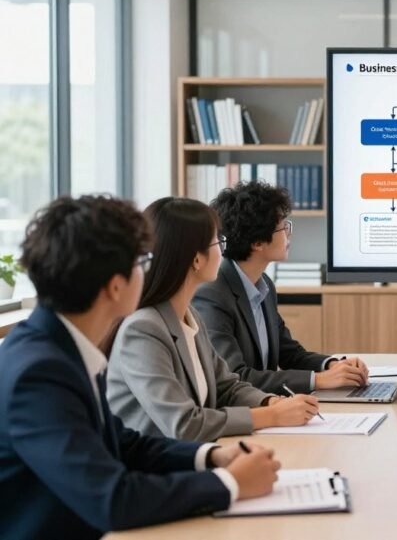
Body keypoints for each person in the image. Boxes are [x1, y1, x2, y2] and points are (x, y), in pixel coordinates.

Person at [0, 195, 280, 540]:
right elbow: (113, 499)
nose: (148, 271)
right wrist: (229, 483)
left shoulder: (61, 347)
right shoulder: (39, 373)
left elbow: (123, 443)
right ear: (115, 286)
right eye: (141, 262)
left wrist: (212, 456)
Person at [106, 197, 320, 442]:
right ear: (196, 259)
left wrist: (271, 401)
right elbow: (185, 424)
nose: (224, 249)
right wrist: (272, 415)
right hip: (157, 470)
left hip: (196, 455)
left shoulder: (188, 316)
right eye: (218, 241)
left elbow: (226, 386)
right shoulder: (143, 329)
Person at [193, 181, 367, 395]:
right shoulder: (212, 295)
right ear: (257, 241)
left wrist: (332, 365)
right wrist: (319, 380)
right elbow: (237, 377)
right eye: (283, 226)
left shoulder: (263, 284)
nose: (289, 233)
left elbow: (289, 353)